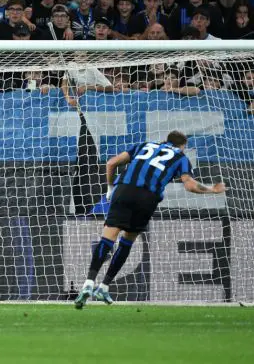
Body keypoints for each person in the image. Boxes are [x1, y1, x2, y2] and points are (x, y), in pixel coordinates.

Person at [74, 131, 226, 309]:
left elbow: (111, 163)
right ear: (182, 145)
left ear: (166, 140)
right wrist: (212, 190)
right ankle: (104, 286)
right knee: (127, 241)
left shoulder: (144, 146)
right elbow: (190, 185)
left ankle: (89, 283)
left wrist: (109, 188)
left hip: (124, 190)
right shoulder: (180, 157)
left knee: (108, 238)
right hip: (148, 198)